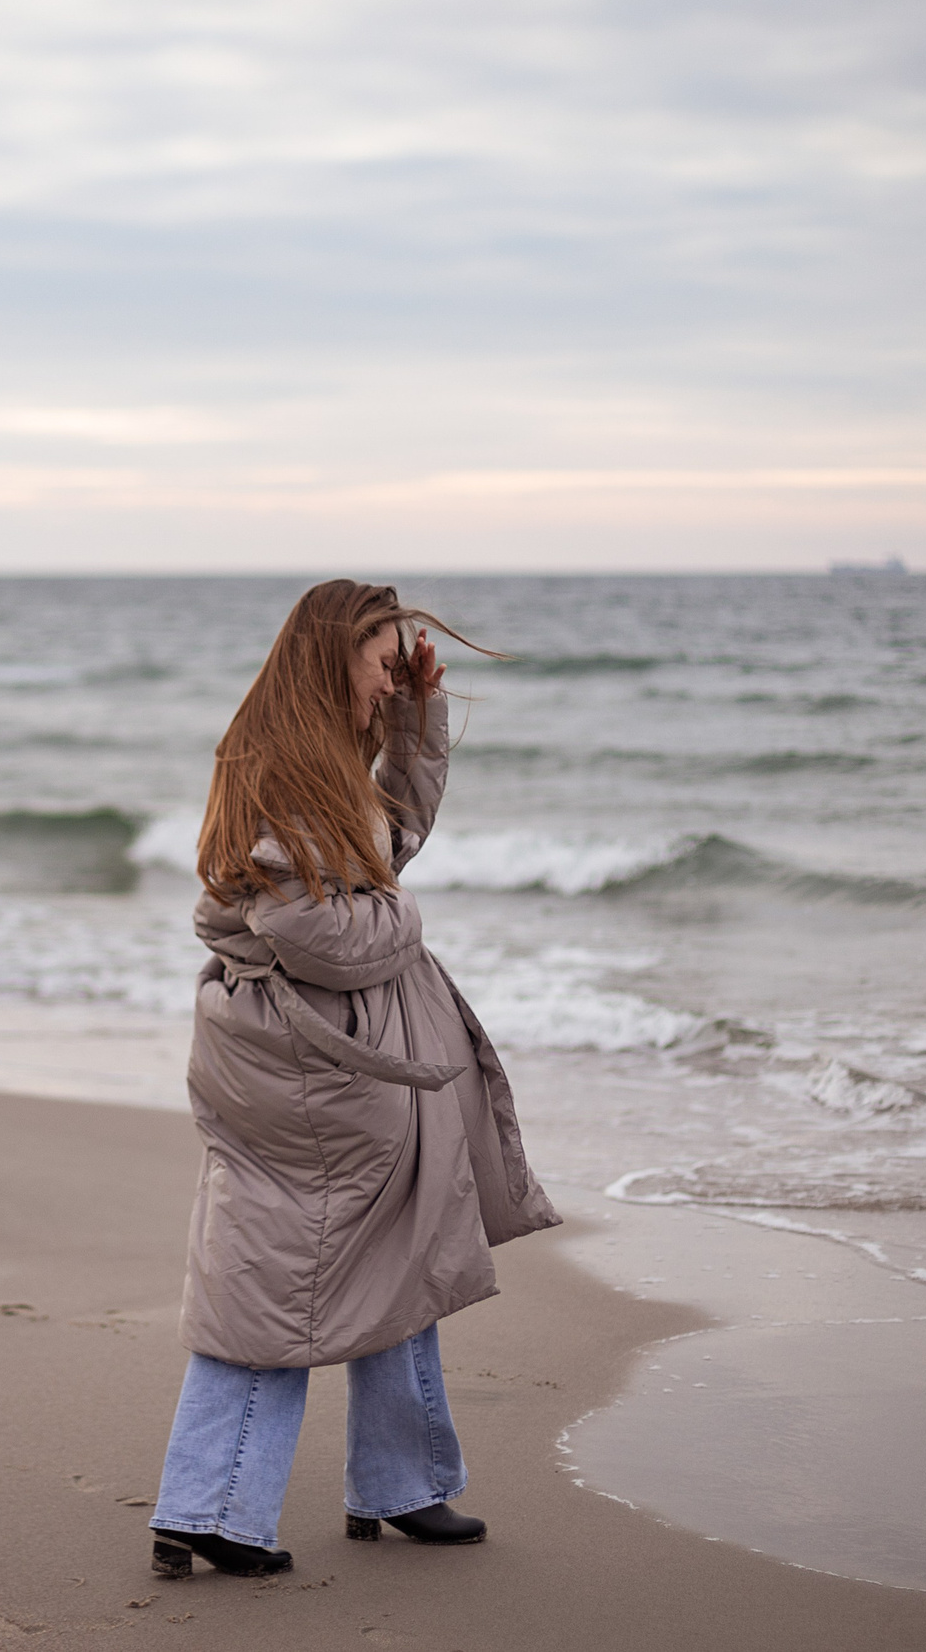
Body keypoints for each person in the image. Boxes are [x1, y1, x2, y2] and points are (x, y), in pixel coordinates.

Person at [147, 579, 563, 1582]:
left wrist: (415, 720)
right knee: (287, 1272)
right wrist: (405, 918)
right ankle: (218, 1506)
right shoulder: (290, 770)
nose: (387, 681)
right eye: (381, 664)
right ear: (332, 655)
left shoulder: (302, 752)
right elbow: (313, 927)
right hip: (320, 1063)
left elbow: (387, 841)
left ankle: (392, 1484)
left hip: (304, 1054)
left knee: (376, 1249)